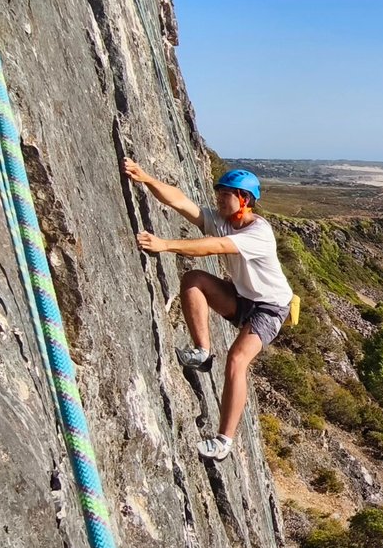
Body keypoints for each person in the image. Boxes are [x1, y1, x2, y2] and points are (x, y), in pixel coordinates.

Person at [123, 157, 294, 461]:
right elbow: (181, 202)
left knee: (237, 359)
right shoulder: (223, 220)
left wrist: (165, 245)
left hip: (270, 307)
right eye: (219, 194)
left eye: (225, 195)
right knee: (193, 280)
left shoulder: (258, 233)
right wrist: (146, 178)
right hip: (243, 298)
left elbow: (213, 247)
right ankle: (202, 352)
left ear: (244, 200)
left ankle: (223, 442)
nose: (219, 199)